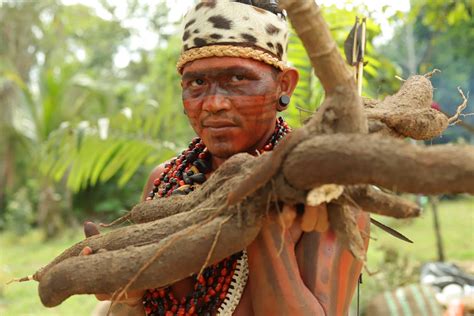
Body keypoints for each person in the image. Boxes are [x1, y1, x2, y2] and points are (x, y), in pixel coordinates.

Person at [86, 1, 370, 315]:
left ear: (284, 85)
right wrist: (129, 293)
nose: (214, 104)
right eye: (197, 83)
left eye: (237, 79)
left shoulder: (324, 192)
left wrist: (264, 220)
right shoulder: (164, 180)